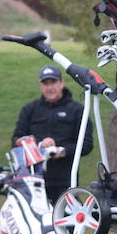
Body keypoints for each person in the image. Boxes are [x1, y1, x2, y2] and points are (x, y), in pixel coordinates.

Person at [11, 65, 88, 204]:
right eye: (45, 83)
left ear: (62, 83)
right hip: (34, 180)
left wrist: (62, 150)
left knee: (66, 223)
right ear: (41, 86)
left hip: (66, 180)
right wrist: (35, 145)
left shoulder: (77, 110)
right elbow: (16, 140)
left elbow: (87, 145)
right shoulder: (30, 109)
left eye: (53, 82)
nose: (49, 87)